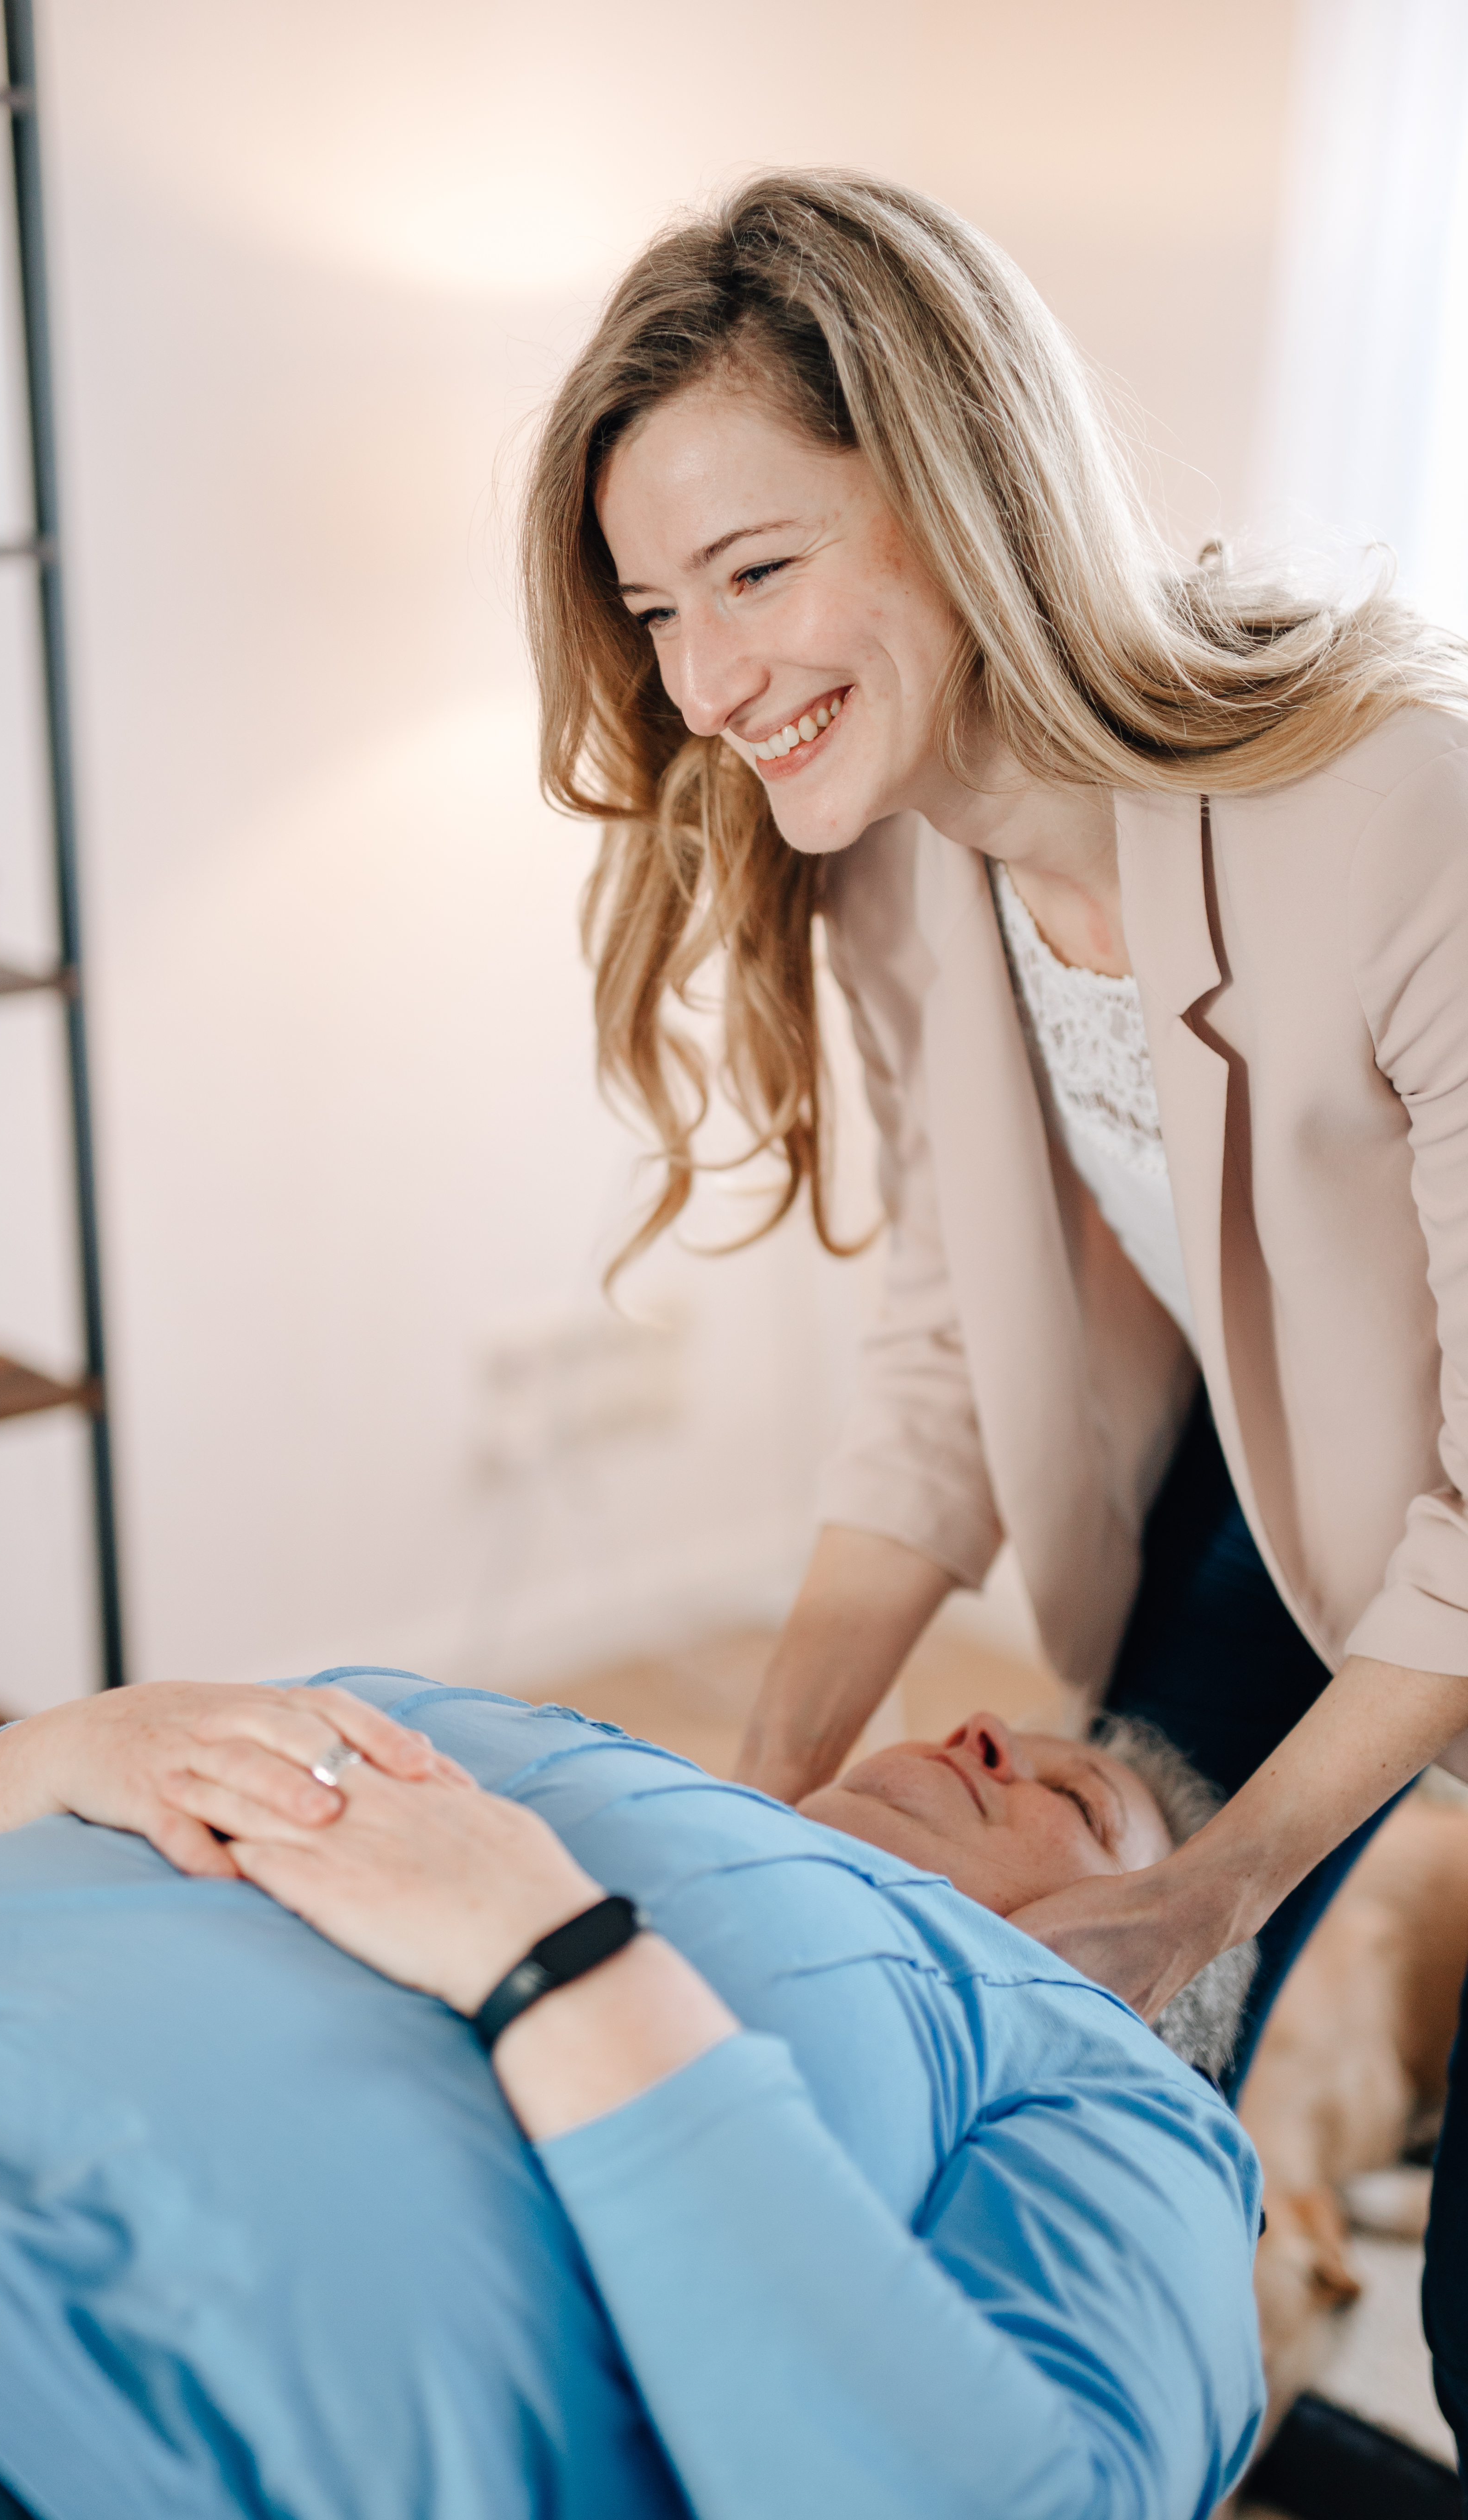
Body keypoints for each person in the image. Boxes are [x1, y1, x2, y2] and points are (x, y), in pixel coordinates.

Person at [518, 167, 1468, 2466]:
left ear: (963, 496)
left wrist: (1233, 1877)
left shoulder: (1399, 810)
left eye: (760, 571)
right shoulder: (895, 852)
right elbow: (948, 1364)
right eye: (659, 608)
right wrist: (738, 1812)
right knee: (1095, 2022)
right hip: (1308, 1494)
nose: (710, 680)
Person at [0, 1671, 1261, 2520]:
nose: (985, 1730)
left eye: (1079, 1805)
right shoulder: (526, 1726)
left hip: (23, 2414)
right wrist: (54, 1750)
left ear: (1152, 1977)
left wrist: (555, 1965)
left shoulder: (1116, 2083)